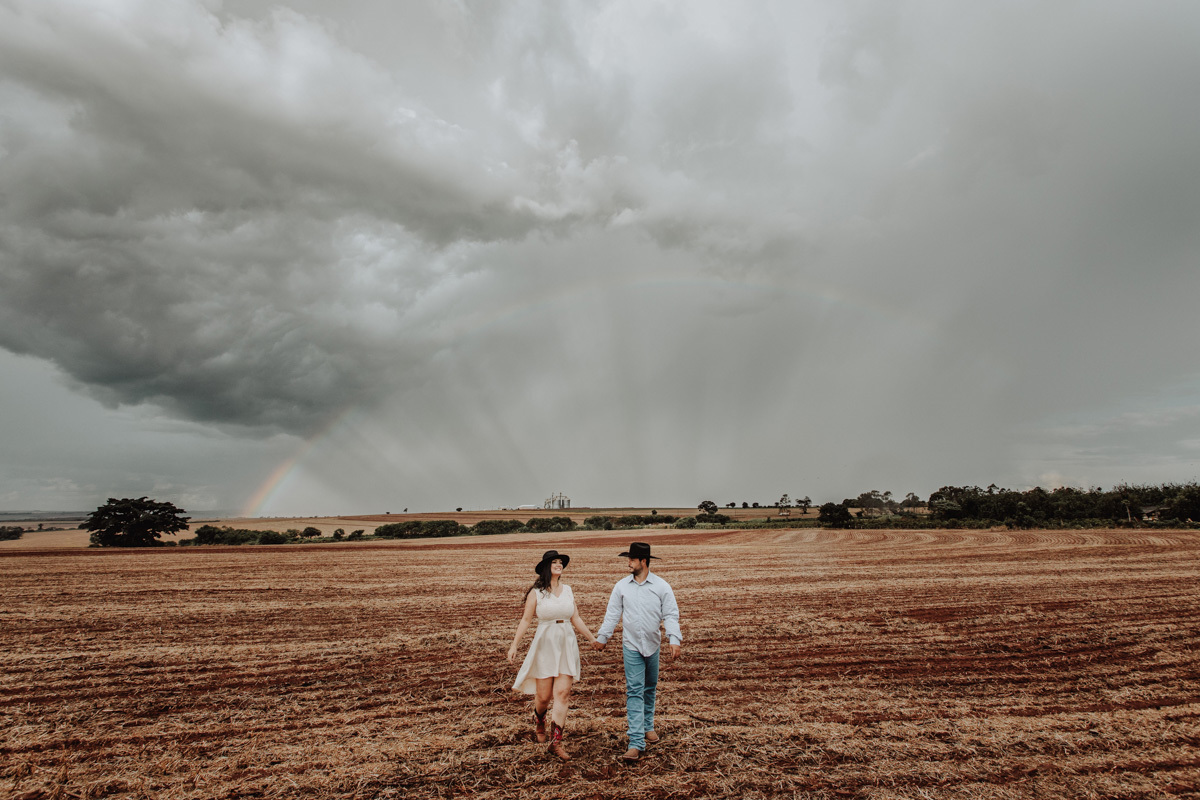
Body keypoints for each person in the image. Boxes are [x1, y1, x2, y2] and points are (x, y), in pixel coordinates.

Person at [593, 541, 682, 764]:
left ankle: (648, 726)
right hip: (631, 646)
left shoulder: (662, 587)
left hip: (653, 645)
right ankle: (635, 742)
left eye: (632, 559)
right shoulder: (621, 587)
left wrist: (674, 638)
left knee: (650, 687)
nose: (628, 563)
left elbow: (670, 614)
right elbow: (612, 614)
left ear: (643, 561)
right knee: (634, 690)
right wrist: (603, 637)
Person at [508, 549, 598, 761]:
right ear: (546, 568)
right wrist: (514, 646)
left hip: (566, 643)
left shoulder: (568, 590)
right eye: (554, 562)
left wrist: (592, 639)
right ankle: (539, 719)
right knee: (544, 696)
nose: (559, 564)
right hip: (545, 645)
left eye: (560, 562)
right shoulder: (537, 593)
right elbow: (526, 620)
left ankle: (555, 742)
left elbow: (575, 618)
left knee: (563, 694)